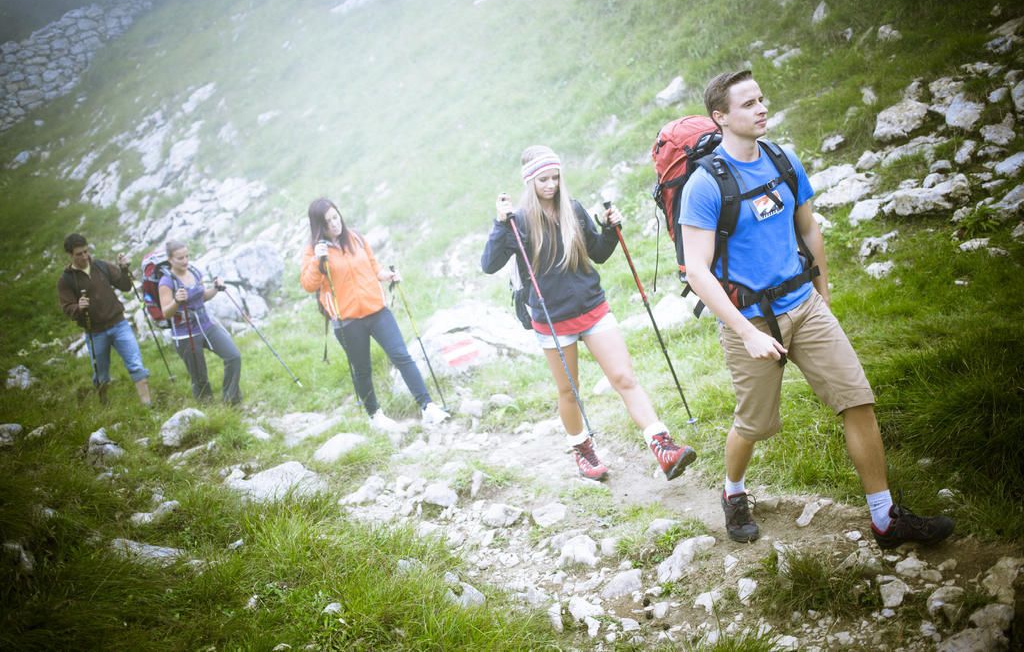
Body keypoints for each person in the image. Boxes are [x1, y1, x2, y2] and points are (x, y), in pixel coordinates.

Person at [679, 70, 955, 549]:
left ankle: (884, 518)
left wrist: (822, 297)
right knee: (754, 424)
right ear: (720, 117)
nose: (762, 108)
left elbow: (809, 231)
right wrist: (746, 332)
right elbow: (698, 272)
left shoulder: (784, 160)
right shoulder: (704, 186)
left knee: (857, 399)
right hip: (751, 319)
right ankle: (734, 491)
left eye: (762, 99)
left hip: (804, 305)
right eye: (748, 104)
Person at [481, 145, 697, 481]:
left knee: (624, 377)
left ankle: (663, 446)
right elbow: (489, 264)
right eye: (543, 179)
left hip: (592, 307)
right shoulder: (517, 222)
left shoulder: (573, 209)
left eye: (555, 177)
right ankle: (582, 450)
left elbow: (598, 253)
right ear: (529, 181)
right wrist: (499, 225)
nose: (551, 185)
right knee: (569, 391)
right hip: (552, 319)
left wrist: (611, 231)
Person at [300, 198, 449, 427]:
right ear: (319, 225)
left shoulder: (355, 237)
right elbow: (309, 285)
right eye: (328, 221)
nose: (335, 224)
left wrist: (385, 275)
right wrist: (317, 261)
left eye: (335, 217)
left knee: (401, 356)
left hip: (377, 310)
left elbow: (371, 264)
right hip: (347, 320)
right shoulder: (312, 250)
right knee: (362, 369)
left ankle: (427, 406)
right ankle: (375, 416)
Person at [58, 233, 152, 407]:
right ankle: (104, 404)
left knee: (136, 365)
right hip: (95, 332)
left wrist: (124, 269)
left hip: (119, 324)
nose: (85, 257)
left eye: (86, 251)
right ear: (69, 255)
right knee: (102, 375)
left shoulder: (101, 266)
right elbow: (67, 307)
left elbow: (125, 285)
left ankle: (148, 406)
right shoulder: (66, 280)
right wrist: (78, 307)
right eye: (79, 254)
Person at [158, 240, 242, 404]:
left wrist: (216, 289)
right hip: (184, 333)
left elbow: (202, 297)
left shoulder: (195, 272)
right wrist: (176, 300)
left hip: (206, 326)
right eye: (180, 258)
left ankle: (231, 401)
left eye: (187, 256)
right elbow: (166, 313)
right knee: (200, 377)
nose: (185, 261)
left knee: (233, 356)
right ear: (170, 260)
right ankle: (208, 411)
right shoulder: (166, 282)